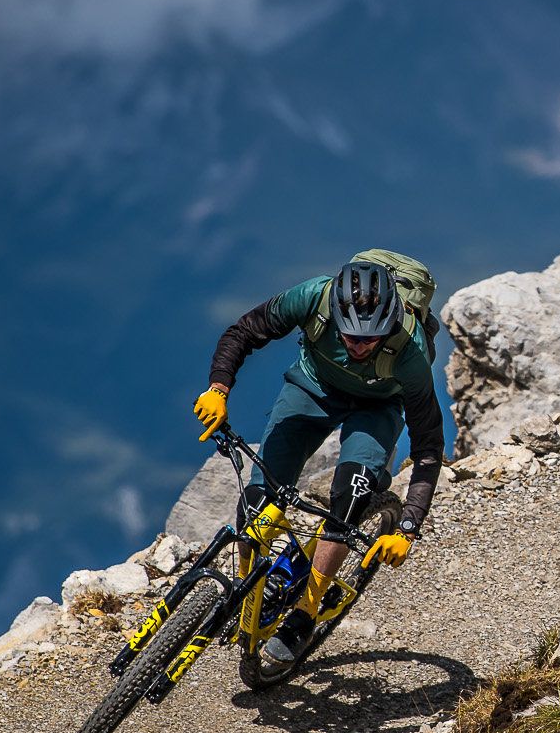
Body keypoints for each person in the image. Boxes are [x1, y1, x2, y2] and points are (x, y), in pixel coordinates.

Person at [191, 252, 445, 666]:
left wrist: (409, 527)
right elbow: (243, 333)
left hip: (377, 409)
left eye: (371, 339)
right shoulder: (313, 296)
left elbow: (429, 451)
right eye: (350, 336)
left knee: (351, 498)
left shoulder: (411, 354)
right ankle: (247, 591)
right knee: (257, 501)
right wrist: (218, 389)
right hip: (312, 387)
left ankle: (306, 614)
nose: (359, 347)